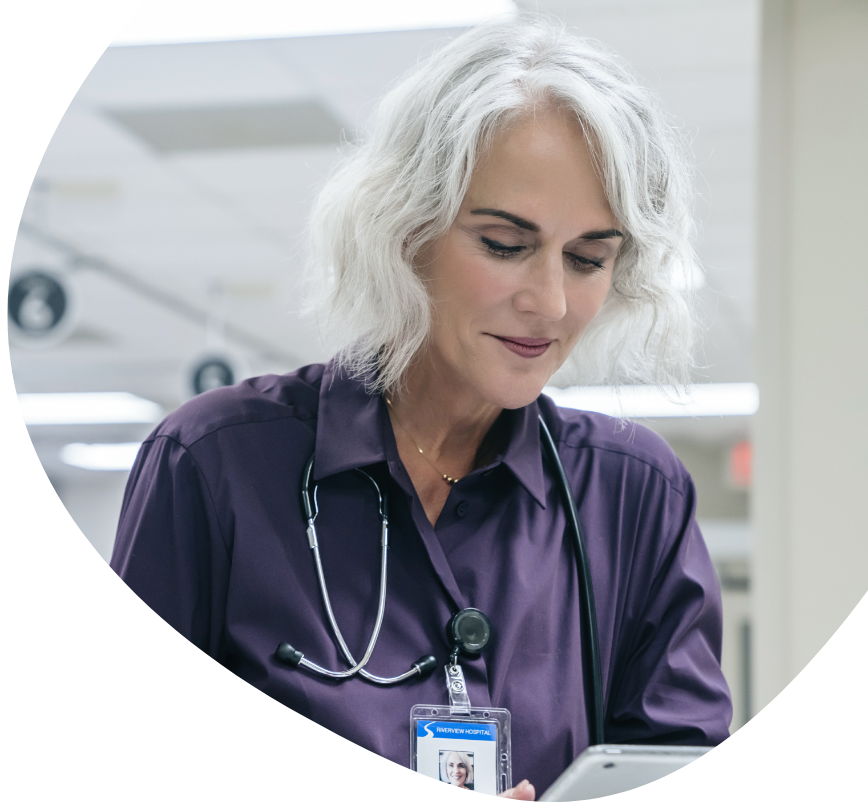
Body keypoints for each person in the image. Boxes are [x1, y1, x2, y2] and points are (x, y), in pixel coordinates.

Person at [111, 15, 732, 800]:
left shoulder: (635, 495)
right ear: (406, 229)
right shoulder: (212, 466)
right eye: (504, 244)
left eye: (588, 258)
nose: (549, 300)